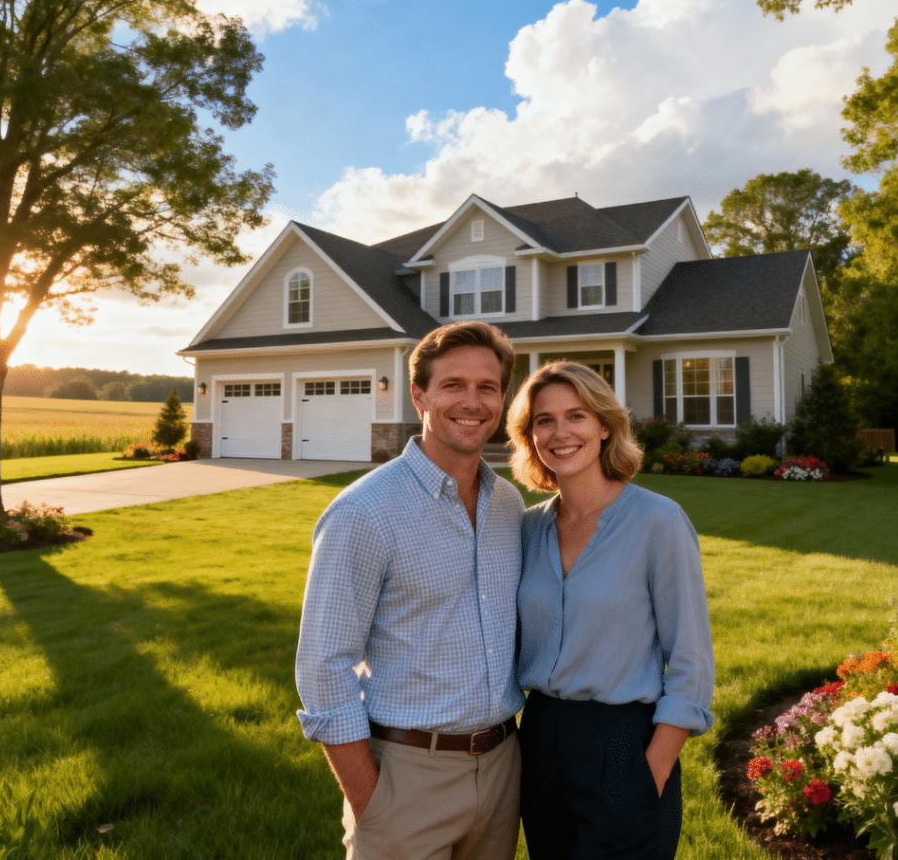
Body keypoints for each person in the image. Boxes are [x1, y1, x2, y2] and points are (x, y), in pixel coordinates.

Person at [295, 321, 525, 860]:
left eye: (487, 387)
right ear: (418, 394)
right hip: (406, 776)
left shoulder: (509, 506)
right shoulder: (363, 511)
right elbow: (322, 665)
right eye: (453, 385)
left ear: (502, 398)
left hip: (502, 770)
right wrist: (371, 800)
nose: (472, 401)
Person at [507, 361, 715, 860]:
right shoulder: (529, 528)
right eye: (544, 421)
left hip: (624, 743)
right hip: (538, 740)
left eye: (576, 416)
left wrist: (653, 770)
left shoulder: (657, 521)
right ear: (529, 436)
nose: (560, 433)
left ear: (604, 425)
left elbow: (690, 660)